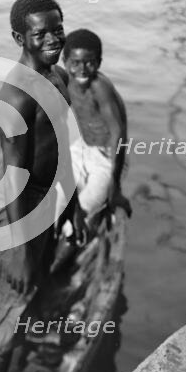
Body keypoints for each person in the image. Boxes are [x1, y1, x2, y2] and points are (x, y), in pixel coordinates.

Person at [0, 0, 79, 372]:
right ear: (19, 37)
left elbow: (65, 145)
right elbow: (12, 179)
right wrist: (19, 249)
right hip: (21, 207)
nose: (54, 39)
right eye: (41, 34)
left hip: (50, 200)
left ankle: (31, 336)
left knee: (38, 280)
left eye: (58, 29)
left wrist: (72, 206)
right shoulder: (16, 96)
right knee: (9, 304)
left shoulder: (59, 77)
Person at [55, 29, 132, 243]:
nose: (82, 69)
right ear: (65, 61)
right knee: (53, 208)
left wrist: (114, 189)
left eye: (89, 63)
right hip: (81, 150)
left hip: (108, 158)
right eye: (75, 62)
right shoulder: (64, 82)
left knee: (76, 220)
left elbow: (119, 135)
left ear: (98, 62)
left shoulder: (100, 88)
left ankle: (69, 249)